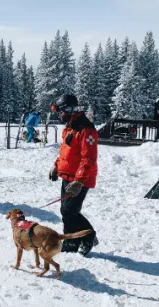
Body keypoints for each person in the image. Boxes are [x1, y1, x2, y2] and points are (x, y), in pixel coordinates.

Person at [49, 94, 99, 255]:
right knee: (65, 211)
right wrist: (56, 166)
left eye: (61, 112)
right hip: (67, 176)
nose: (60, 115)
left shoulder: (86, 130)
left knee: (70, 211)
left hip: (80, 179)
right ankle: (71, 241)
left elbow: (88, 159)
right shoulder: (70, 127)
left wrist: (79, 181)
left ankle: (88, 236)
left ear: (69, 110)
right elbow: (66, 153)